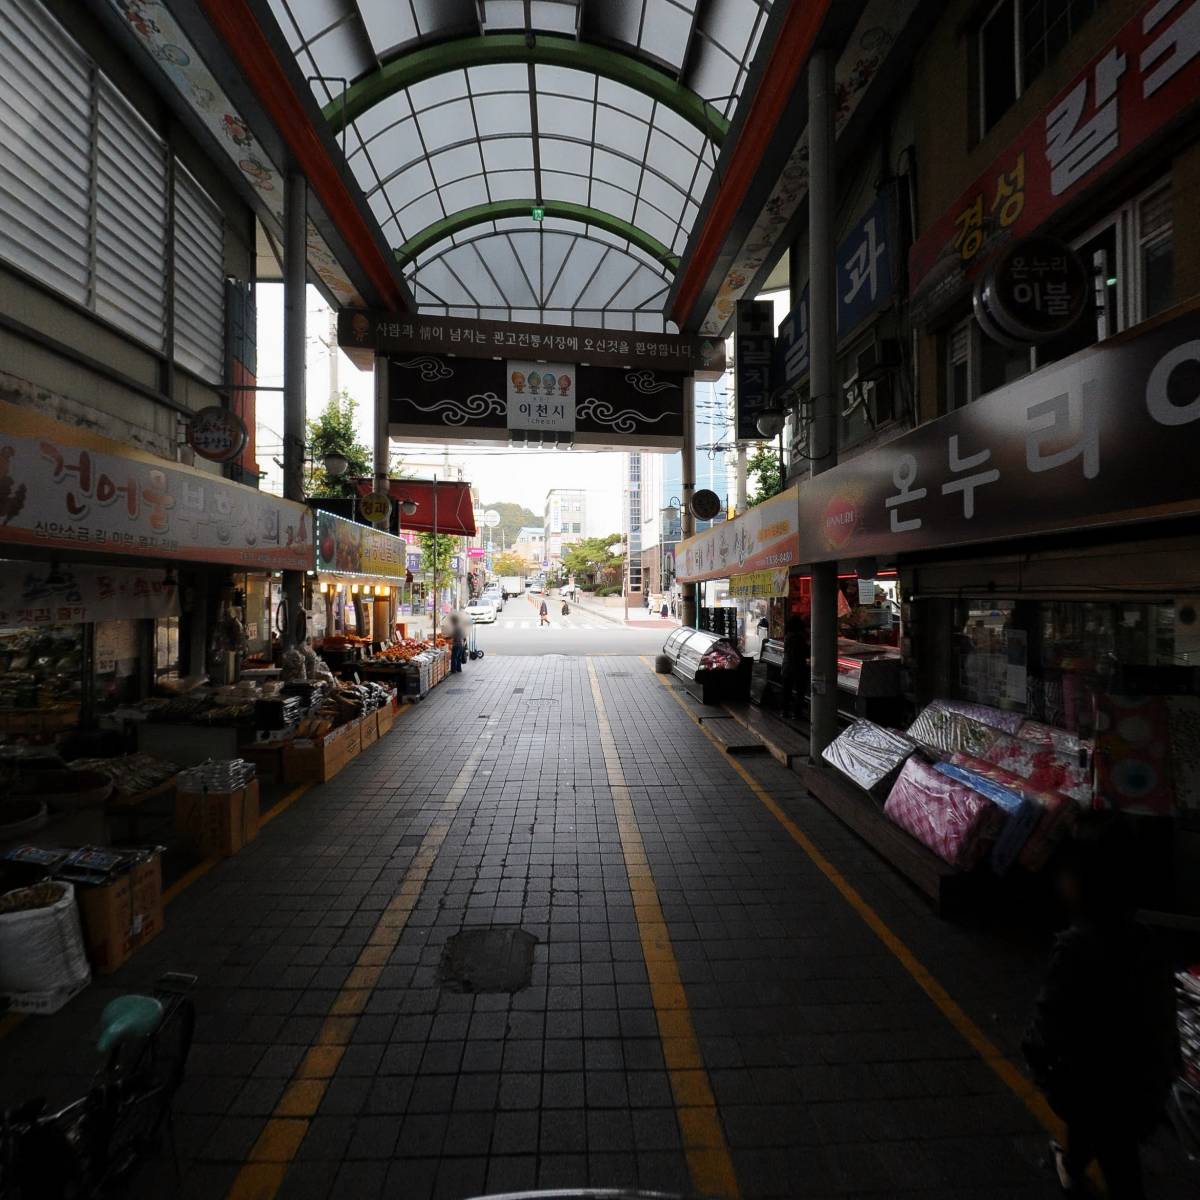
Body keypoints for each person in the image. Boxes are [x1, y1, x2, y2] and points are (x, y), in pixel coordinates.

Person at [1023, 814, 1179, 1198]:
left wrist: (1035, 1055)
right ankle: (1072, 1166)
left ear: (1081, 885)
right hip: (1141, 1082)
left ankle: (1074, 1170)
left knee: (1117, 1158)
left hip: (1092, 1084)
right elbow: (1163, 1012)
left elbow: (1051, 1016)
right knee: (1103, 1138)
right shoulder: (1148, 944)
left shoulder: (1075, 950)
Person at [779, 616, 808, 718]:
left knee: (786, 691)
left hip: (787, 667)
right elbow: (805, 652)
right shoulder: (798, 638)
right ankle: (797, 713)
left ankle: (785, 711)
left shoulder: (787, 636)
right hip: (798, 667)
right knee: (799, 692)